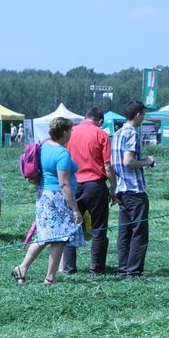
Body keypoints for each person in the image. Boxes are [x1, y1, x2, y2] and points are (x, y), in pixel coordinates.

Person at [12, 117, 84, 285]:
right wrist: (75, 209)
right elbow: (64, 184)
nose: (71, 134)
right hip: (57, 198)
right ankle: (50, 278)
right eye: (70, 131)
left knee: (43, 237)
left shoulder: (43, 146)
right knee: (58, 238)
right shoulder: (62, 153)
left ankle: (22, 268)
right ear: (64, 132)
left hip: (43, 196)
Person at [63, 108, 117, 274]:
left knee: (71, 227)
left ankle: (68, 267)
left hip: (73, 185)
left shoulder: (70, 132)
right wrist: (114, 188)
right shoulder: (101, 134)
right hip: (95, 186)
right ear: (100, 121)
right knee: (99, 228)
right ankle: (97, 268)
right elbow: (107, 165)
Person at [111, 101, 154, 277]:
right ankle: (134, 270)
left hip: (121, 190)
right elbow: (128, 161)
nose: (144, 117)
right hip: (135, 191)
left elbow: (115, 163)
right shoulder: (132, 134)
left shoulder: (117, 133)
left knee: (124, 233)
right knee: (139, 233)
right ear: (137, 114)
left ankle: (123, 268)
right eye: (143, 114)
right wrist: (147, 161)